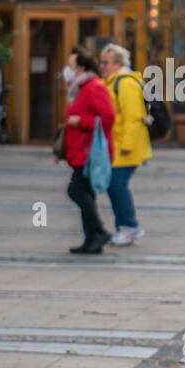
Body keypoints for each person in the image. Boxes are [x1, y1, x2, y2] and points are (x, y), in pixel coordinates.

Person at [60, 46, 115, 254]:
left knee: (76, 190)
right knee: (86, 193)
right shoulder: (78, 89)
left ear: (81, 68)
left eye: (71, 66)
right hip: (80, 149)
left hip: (90, 152)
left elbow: (108, 118)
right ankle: (91, 239)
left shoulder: (93, 87)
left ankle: (99, 232)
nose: (67, 69)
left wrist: (80, 120)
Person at [98, 43, 151, 245]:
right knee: (114, 186)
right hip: (116, 145)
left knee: (116, 185)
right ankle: (125, 226)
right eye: (101, 62)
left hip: (126, 147)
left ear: (118, 63)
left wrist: (127, 145)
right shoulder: (110, 82)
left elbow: (133, 118)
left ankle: (129, 226)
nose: (102, 66)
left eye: (106, 62)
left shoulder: (125, 83)